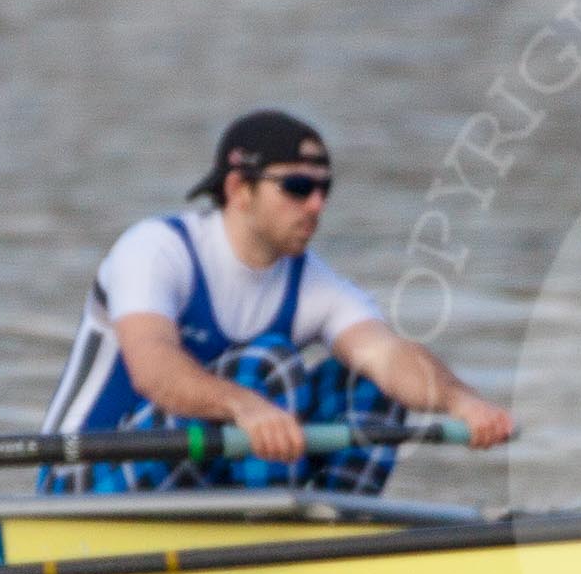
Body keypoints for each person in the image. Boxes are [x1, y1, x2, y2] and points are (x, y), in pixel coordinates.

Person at [38, 110, 513, 493]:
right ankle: (269, 534)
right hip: (84, 476)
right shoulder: (156, 249)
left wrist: (460, 401)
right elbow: (153, 366)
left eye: (324, 188)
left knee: (369, 382)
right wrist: (246, 407)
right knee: (268, 365)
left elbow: (387, 357)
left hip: (201, 479)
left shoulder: (313, 282)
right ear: (238, 189)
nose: (316, 206)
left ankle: (334, 531)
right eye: (297, 187)